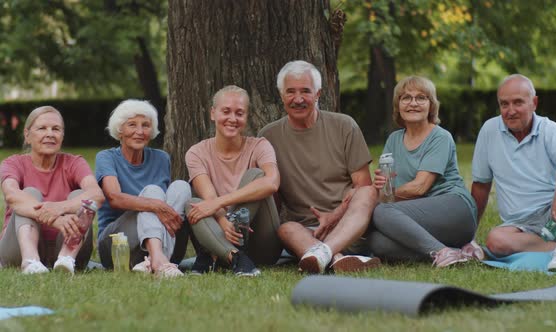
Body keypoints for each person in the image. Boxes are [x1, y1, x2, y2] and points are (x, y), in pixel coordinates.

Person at [259, 60, 380, 274]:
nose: (298, 99)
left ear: (318, 94)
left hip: (349, 227)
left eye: (306, 91)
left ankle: (326, 254)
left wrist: (336, 214)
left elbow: (363, 186)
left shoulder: (344, 126)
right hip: (306, 234)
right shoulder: (268, 136)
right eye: (290, 92)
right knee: (286, 229)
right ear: (281, 95)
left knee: (369, 193)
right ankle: (337, 258)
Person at [471, 74, 556, 273]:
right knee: (494, 241)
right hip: (524, 227)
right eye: (504, 104)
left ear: (534, 103)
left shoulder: (549, 130)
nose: (510, 111)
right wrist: (468, 236)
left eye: (518, 103)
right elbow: (481, 187)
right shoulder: (489, 131)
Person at [367, 76, 479, 268]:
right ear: (398, 105)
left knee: (382, 211)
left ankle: (442, 252)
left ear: (431, 105)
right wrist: (380, 189)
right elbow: (387, 187)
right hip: (421, 215)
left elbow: (419, 188)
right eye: (406, 98)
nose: (413, 103)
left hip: (455, 209)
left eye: (421, 98)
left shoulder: (440, 137)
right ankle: (455, 251)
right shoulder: (394, 139)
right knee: (378, 242)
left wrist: (381, 196)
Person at [183, 85, 282, 277]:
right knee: (193, 204)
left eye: (239, 113)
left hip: (261, 245)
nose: (232, 119)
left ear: (246, 117)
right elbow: (208, 196)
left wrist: (220, 205)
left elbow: (272, 183)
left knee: (256, 176)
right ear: (213, 113)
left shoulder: (260, 146)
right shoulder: (196, 152)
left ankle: (213, 255)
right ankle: (235, 257)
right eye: (226, 111)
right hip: (219, 236)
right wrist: (221, 220)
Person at [0, 106, 104, 274]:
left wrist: (60, 208)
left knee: (81, 196)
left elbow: (96, 195)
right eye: (42, 128)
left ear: (62, 136)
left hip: (69, 247)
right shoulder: (13, 163)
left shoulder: (74, 163)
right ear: (27, 135)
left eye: (56, 129)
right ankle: (30, 261)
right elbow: (12, 196)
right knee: (29, 194)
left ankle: (66, 259)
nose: (50, 134)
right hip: (17, 249)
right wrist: (55, 219)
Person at [96, 99, 191, 278]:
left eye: (146, 125)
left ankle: (156, 260)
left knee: (181, 187)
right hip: (117, 246)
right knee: (153, 194)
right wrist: (155, 205)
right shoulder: (106, 157)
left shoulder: (161, 158)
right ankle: (158, 258)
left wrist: (157, 206)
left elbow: (166, 211)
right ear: (120, 130)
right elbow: (115, 198)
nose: (139, 131)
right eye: (132, 125)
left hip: (159, 239)